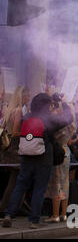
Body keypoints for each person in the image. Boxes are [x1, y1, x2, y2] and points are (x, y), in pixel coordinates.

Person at [2, 93, 73, 229]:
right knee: (39, 189)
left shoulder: (26, 117)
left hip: (26, 156)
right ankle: (34, 220)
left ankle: (8, 215)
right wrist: (63, 103)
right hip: (43, 158)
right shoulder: (49, 119)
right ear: (47, 105)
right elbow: (68, 119)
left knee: (20, 186)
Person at [44, 95, 77, 223]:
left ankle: (55, 215)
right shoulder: (71, 125)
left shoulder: (60, 125)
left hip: (57, 153)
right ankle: (64, 214)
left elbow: (53, 136)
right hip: (66, 152)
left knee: (56, 184)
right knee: (65, 183)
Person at [0, 86, 30, 217]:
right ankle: (8, 208)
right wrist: (29, 133)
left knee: (15, 180)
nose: (29, 98)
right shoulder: (18, 111)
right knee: (17, 181)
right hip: (16, 148)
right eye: (28, 95)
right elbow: (16, 132)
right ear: (22, 96)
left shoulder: (10, 110)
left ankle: (10, 207)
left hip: (10, 148)